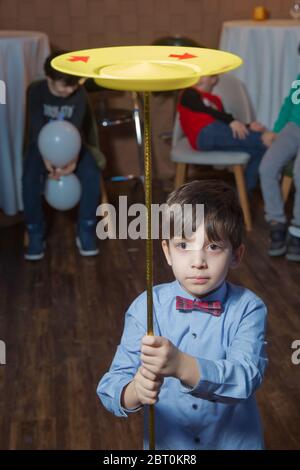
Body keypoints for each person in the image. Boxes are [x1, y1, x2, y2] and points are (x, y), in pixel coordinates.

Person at [97, 180, 268, 450]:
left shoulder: (249, 308)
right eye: (183, 245)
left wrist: (182, 366)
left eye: (213, 247)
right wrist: (134, 392)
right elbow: (111, 386)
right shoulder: (146, 307)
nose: (198, 261)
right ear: (166, 251)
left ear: (236, 255)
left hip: (233, 443)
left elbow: (246, 376)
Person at [22, 51, 105, 261]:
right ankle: (34, 230)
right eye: (63, 86)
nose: (69, 90)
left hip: (74, 147)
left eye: (73, 85)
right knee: (29, 177)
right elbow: (36, 128)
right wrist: (47, 160)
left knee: (91, 174)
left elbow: (76, 129)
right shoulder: (36, 92)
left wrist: (72, 160)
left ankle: (86, 227)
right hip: (41, 146)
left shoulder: (78, 94)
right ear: (49, 78)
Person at [178, 75, 268, 193]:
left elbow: (226, 126)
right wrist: (231, 121)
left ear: (214, 79)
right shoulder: (188, 93)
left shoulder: (216, 100)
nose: (198, 78)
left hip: (216, 135)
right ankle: (268, 139)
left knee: (258, 149)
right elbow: (204, 109)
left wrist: (247, 126)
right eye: (196, 74)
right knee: (262, 140)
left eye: (203, 75)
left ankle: (243, 193)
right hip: (202, 133)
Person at [259, 74, 300, 261]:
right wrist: (276, 130)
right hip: (293, 127)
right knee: (267, 167)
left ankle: (297, 229)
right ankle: (277, 222)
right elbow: (289, 105)